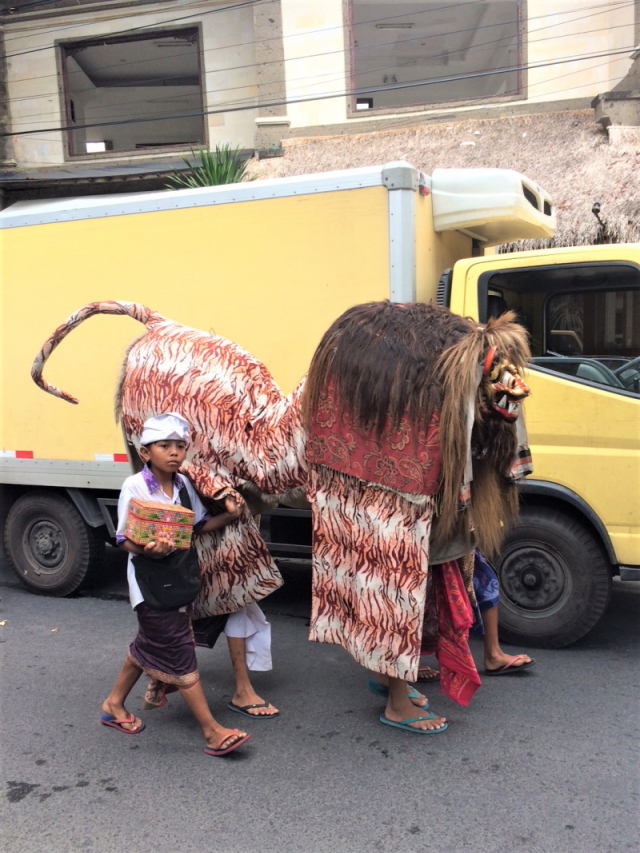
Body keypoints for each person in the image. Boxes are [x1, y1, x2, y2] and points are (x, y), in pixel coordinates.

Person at [100, 413, 251, 757]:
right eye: (164, 446)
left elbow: (195, 527)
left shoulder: (183, 486)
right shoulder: (134, 487)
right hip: (150, 585)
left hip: (178, 580)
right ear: (145, 452)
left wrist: (228, 516)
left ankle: (114, 704)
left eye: (180, 446)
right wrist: (148, 550)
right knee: (180, 652)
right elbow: (123, 538)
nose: (173, 452)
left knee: (148, 644)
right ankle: (212, 731)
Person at [416, 550, 535, 681]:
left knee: (485, 580)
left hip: (456, 540)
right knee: (418, 591)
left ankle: (494, 654)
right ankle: (407, 663)